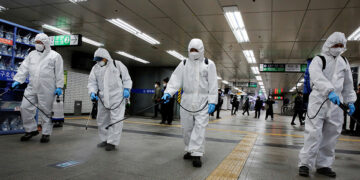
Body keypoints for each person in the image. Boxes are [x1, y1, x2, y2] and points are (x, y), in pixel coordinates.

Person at [298, 32, 356, 177]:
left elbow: (348, 84)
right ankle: (305, 163)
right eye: (336, 45)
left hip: (336, 104)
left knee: (331, 135)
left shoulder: (344, 62)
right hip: (319, 101)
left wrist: (350, 101)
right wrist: (329, 90)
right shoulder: (319, 59)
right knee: (313, 133)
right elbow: (316, 76)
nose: (339, 48)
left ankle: (324, 165)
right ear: (329, 45)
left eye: (341, 45)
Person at [161, 38, 218, 168]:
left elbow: (213, 84)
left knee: (199, 128)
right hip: (186, 100)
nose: (193, 52)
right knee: (186, 128)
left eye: (196, 50)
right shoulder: (184, 63)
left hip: (202, 101)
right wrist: (168, 93)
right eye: (191, 50)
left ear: (201, 50)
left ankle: (197, 154)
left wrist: (212, 101)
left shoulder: (209, 64)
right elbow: (175, 80)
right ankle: (189, 149)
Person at [12, 33, 64, 143]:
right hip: (31, 87)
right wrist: (18, 80)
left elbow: (59, 72)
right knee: (25, 107)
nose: (37, 44)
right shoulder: (32, 54)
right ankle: (30, 130)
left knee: (45, 111)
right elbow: (24, 68)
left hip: (47, 88)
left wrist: (59, 86)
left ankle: (46, 133)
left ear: (45, 43)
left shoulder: (55, 56)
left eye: (40, 42)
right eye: (36, 42)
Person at [88, 48, 132, 151]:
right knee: (101, 120)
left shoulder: (117, 64)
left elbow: (127, 78)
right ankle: (104, 139)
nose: (99, 62)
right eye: (97, 60)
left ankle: (112, 142)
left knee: (116, 120)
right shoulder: (95, 68)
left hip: (117, 97)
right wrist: (92, 92)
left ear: (106, 57)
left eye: (100, 59)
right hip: (102, 98)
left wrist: (126, 89)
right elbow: (92, 82)